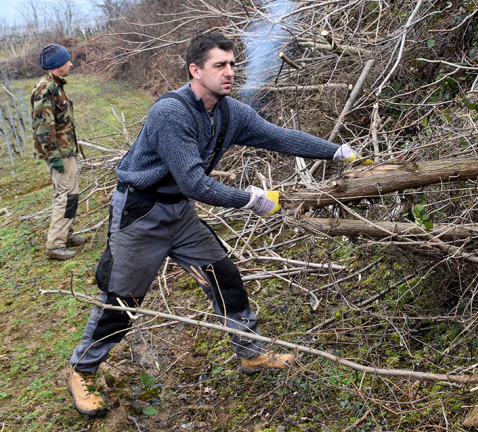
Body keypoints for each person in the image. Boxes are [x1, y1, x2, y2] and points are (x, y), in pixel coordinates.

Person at [67, 33, 359, 417]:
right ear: (195, 70)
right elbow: (194, 183)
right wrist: (251, 199)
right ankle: (82, 370)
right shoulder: (171, 113)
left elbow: (280, 137)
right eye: (219, 65)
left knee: (224, 276)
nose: (229, 72)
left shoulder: (229, 112)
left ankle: (251, 354)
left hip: (180, 214)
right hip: (141, 212)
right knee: (123, 298)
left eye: (232, 64)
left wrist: (338, 152)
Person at [31, 43, 87, 261]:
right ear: (56, 65)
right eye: (67, 61)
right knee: (64, 195)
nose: (71, 64)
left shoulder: (55, 85)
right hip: (59, 154)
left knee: (71, 194)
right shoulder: (45, 88)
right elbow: (43, 128)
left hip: (66, 151)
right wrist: (54, 158)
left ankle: (66, 235)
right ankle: (55, 246)